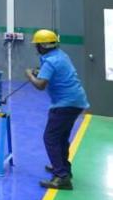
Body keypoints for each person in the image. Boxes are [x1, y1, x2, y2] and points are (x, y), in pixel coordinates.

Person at [25, 29, 90, 190]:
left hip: (65, 104)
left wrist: (30, 75)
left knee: (51, 138)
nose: (36, 48)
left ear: (42, 46)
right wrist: (40, 72)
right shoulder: (60, 55)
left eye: (37, 45)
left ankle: (61, 177)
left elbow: (40, 85)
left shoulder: (50, 61)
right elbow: (55, 73)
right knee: (61, 137)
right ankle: (63, 168)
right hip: (76, 101)